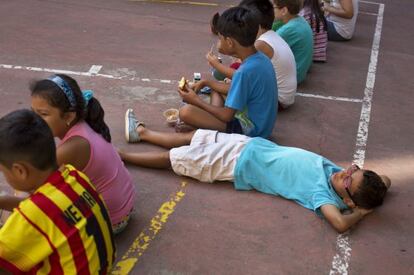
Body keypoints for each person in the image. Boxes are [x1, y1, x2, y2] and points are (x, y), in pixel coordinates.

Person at [119, 128, 390, 233]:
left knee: (175, 158)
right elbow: (386, 181)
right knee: (192, 137)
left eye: (347, 181)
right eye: (351, 169)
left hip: (236, 164)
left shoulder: (322, 195)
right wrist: (373, 192)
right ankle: (143, 133)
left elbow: (341, 224)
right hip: (247, 144)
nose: (344, 172)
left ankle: (123, 156)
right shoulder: (336, 176)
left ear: (346, 200)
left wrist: (361, 213)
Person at [126, 7, 277, 139]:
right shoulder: (260, 59)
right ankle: (206, 125)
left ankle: (143, 133)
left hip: (249, 132)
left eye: (220, 39)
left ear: (230, 42)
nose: (218, 43)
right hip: (262, 126)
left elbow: (227, 115)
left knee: (186, 112)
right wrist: (207, 83)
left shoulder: (245, 71)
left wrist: (195, 101)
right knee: (215, 90)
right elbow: (240, 88)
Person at [0, 109, 115, 273]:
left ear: (20, 171)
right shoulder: (75, 175)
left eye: (2, 171)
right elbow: (48, 211)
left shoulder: (30, 215)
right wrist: (4, 200)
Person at [30, 74, 136, 234]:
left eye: (43, 114)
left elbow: (34, 187)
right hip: (125, 204)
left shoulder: (70, 148)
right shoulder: (84, 124)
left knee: (33, 212)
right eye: (33, 112)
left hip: (113, 221)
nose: (34, 121)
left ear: (69, 116)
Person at [240, 0, 297, 109]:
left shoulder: (261, 44)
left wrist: (217, 64)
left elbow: (242, 71)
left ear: (258, 27)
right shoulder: (271, 36)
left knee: (228, 91)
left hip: (277, 100)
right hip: (285, 97)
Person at [272, 0, 313, 84]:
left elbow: (264, 47)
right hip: (299, 72)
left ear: (284, 11)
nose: (271, 10)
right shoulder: (300, 19)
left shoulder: (288, 29)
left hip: (291, 77)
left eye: (274, 7)